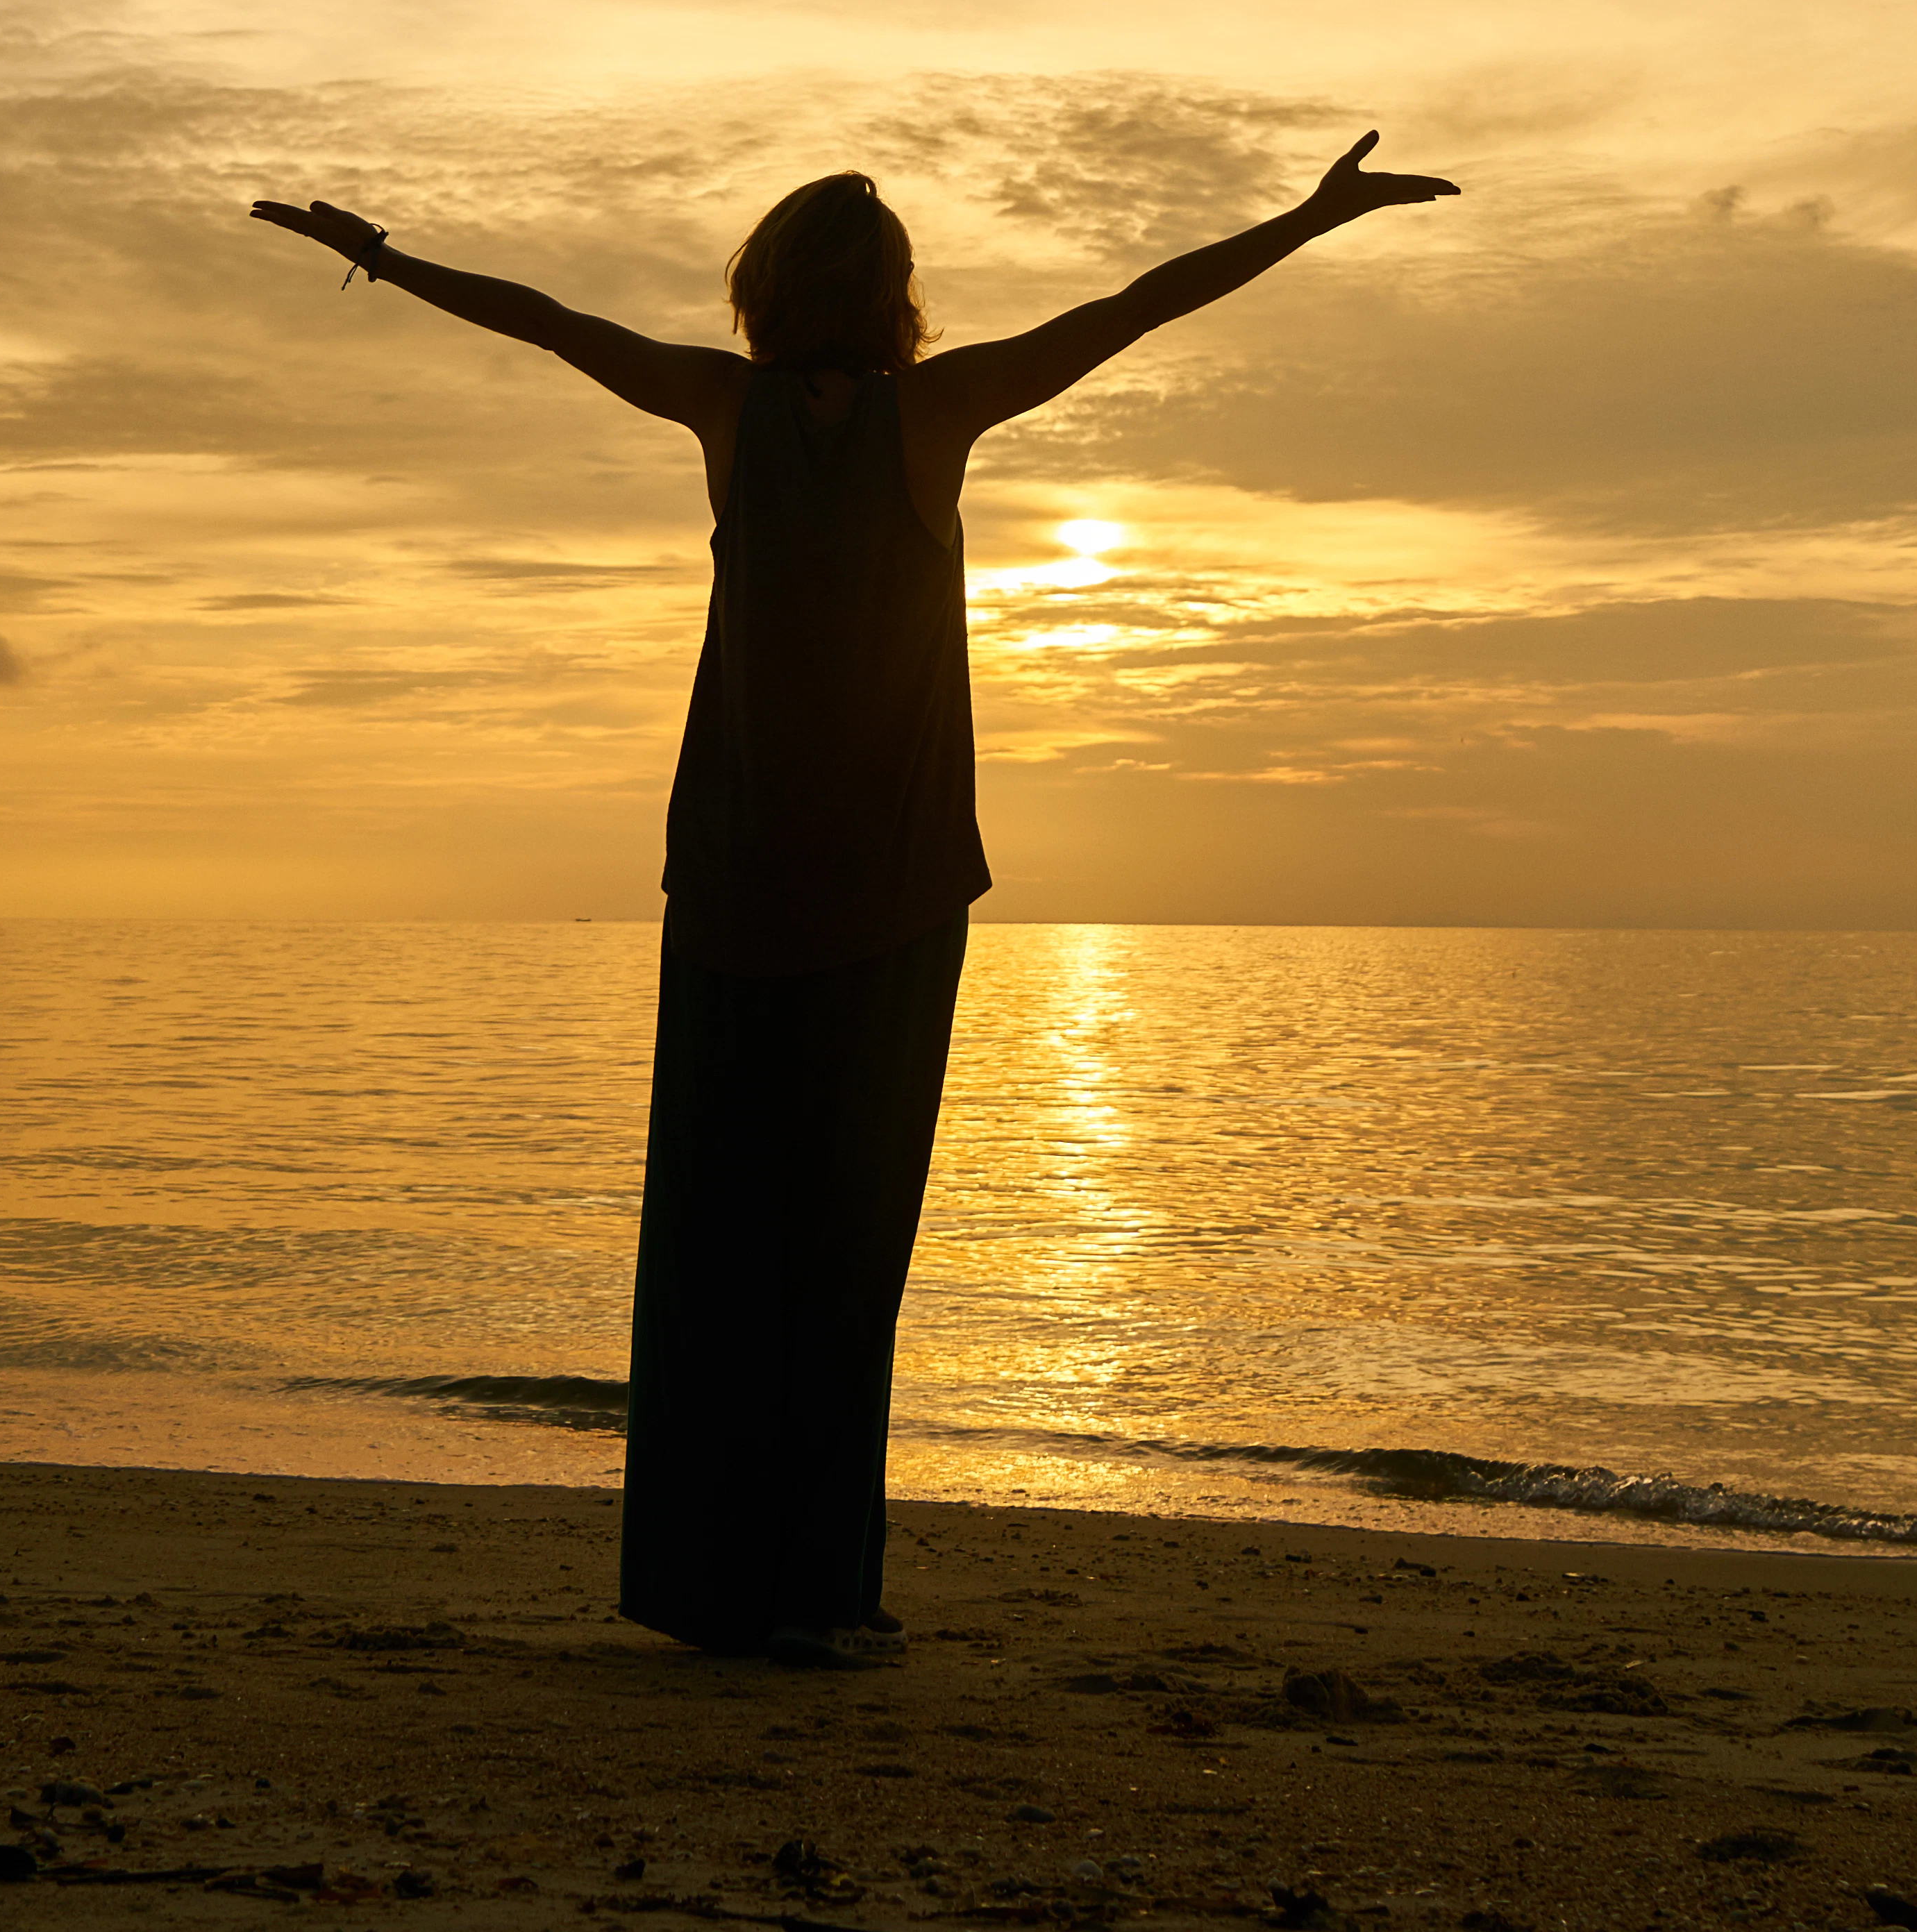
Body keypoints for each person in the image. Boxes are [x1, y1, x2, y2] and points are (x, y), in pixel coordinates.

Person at [249, 133, 1461, 1663]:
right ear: (893, 301)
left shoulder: (726, 405)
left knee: (716, 1239)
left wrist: (384, 251)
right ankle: (815, 1591)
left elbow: (548, 318)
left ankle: (708, 1587)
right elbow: (1142, 305)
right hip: (886, 890)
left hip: (743, 878)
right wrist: (1305, 219)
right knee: (838, 1247)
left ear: (760, 293)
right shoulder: (930, 412)